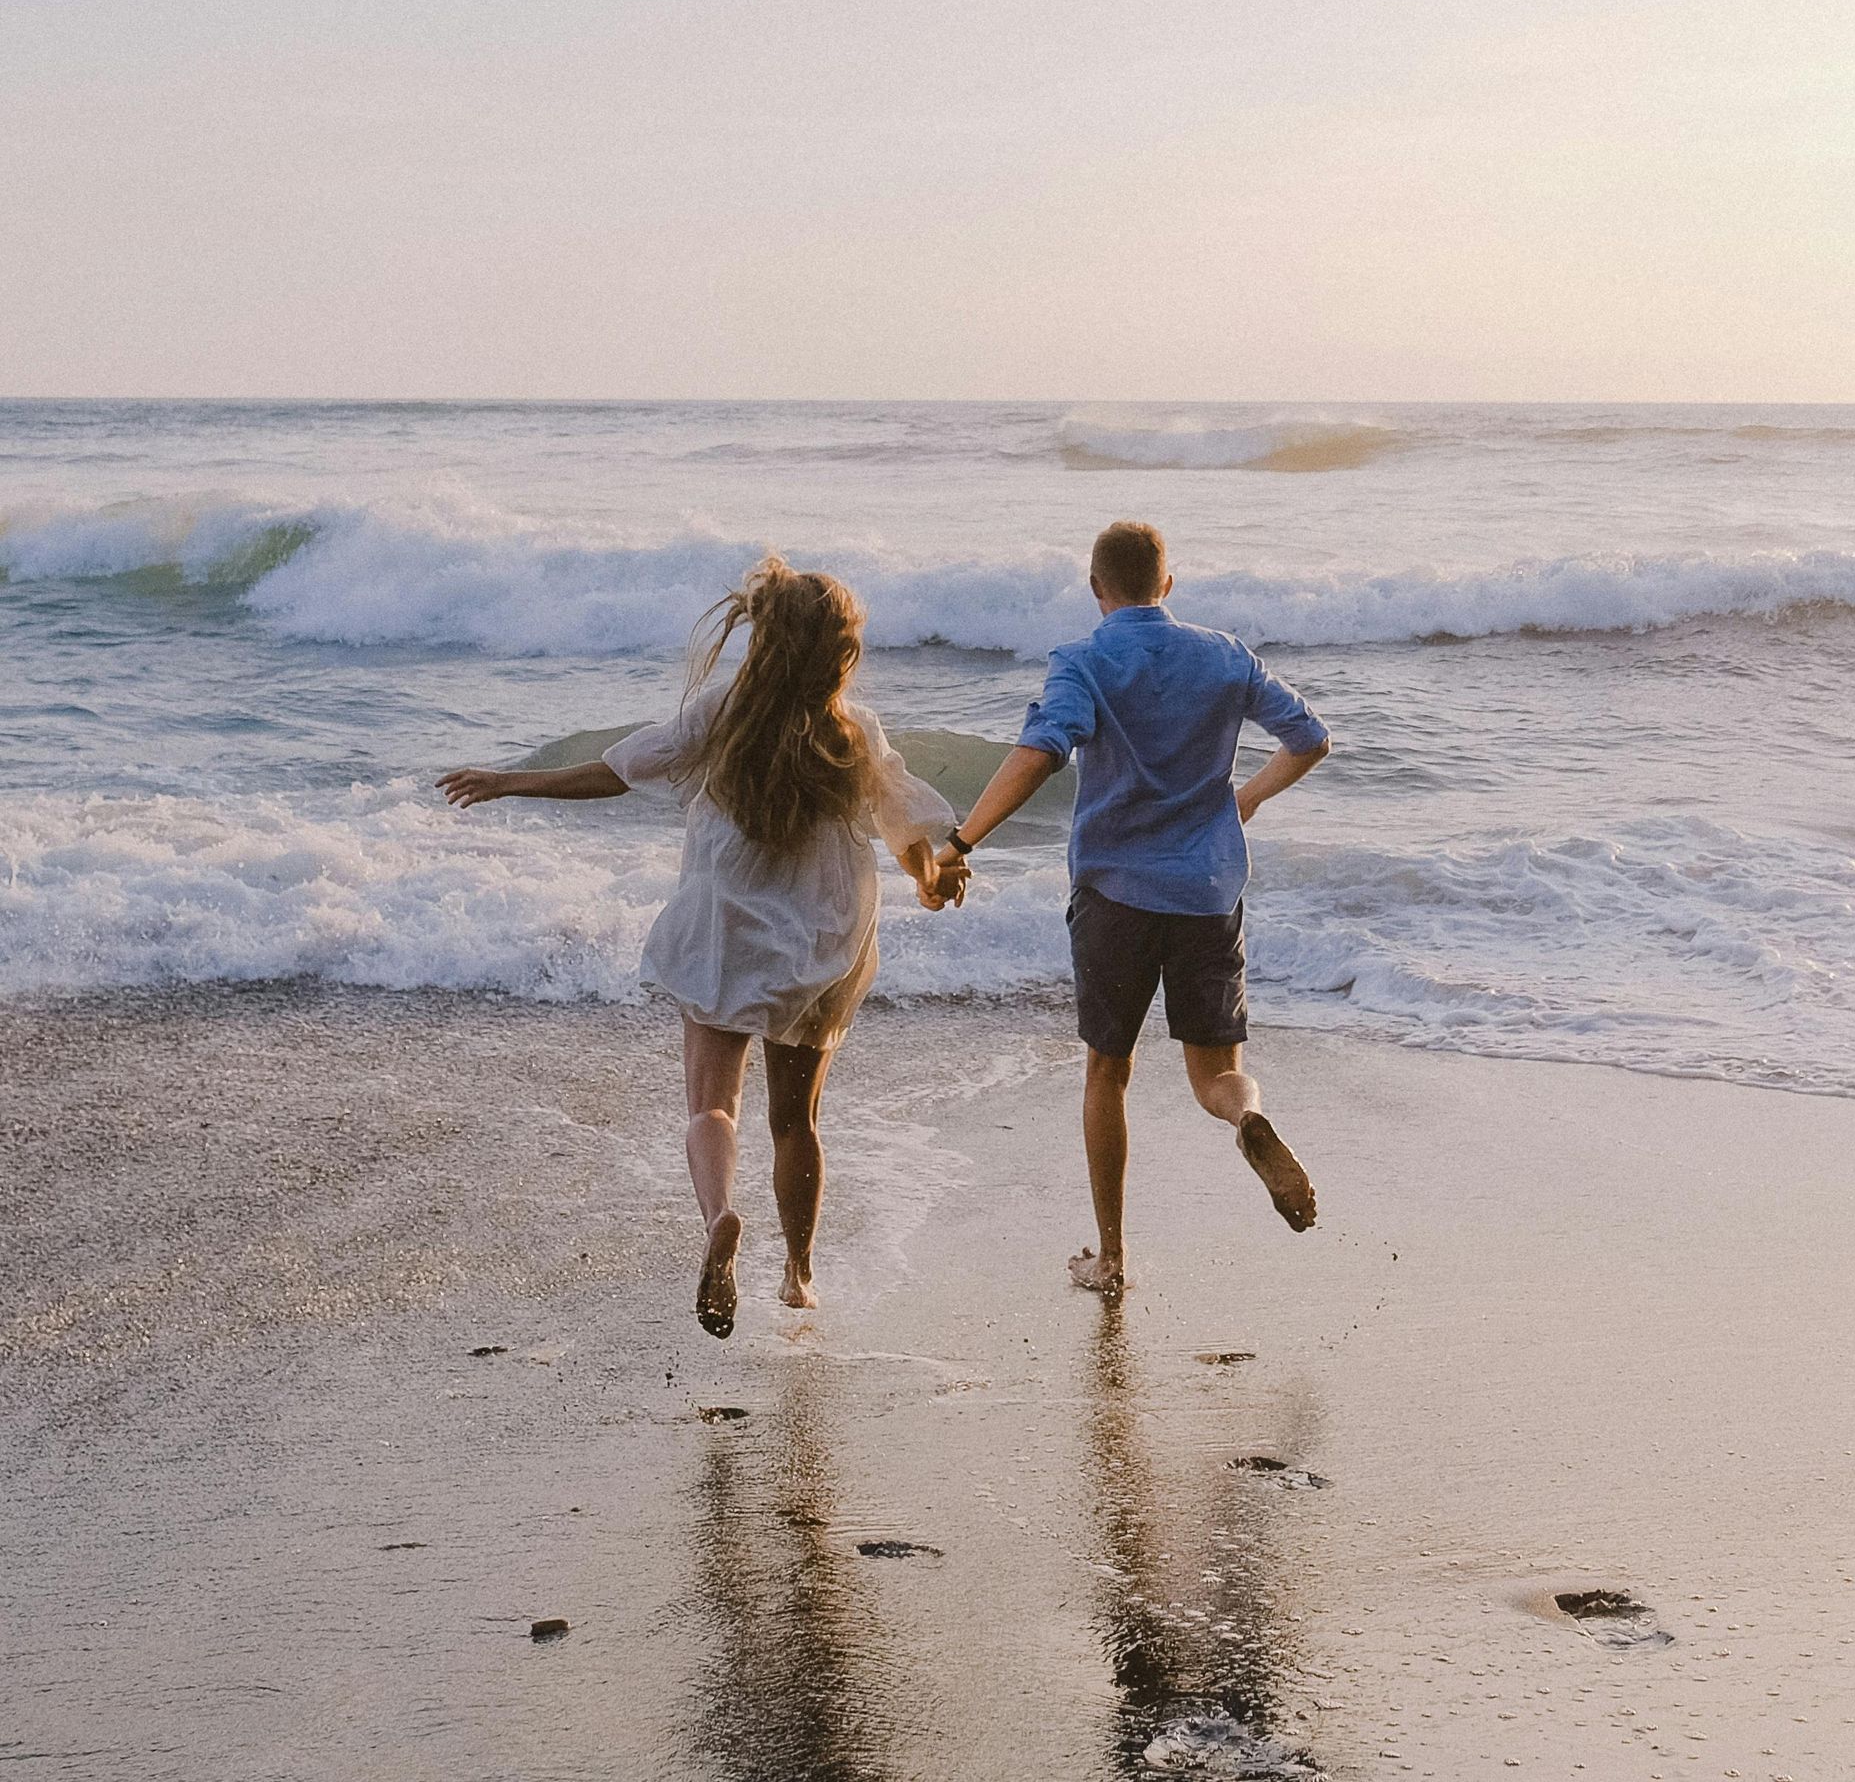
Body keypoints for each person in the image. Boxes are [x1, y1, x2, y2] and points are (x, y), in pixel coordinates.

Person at [438, 557, 961, 1339]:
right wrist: (928, 875)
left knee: (712, 1101)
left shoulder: (722, 712)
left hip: (726, 930)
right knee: (796, 1119)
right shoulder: (854, 729)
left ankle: (720, 1215)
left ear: (765, 638)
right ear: (840, 653)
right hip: (821, 940)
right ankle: (799, 1275)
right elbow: (902, 819)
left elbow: (620, 768)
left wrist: (515, 780)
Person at [934, 520, 1329, 1298]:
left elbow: (1043, 750)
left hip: (1115, 894)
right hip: (1208, 892)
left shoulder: (1083, 660)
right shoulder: (1224, 654)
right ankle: (1249, 1119)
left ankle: (1111, 1259)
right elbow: (1310, 738)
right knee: (1218, 1074)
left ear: (1095, 588)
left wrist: (961, 842)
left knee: (1108, 1074)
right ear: (1168, 586)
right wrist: (1241, 799)